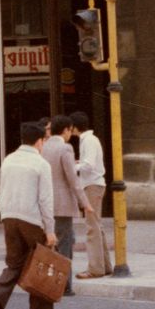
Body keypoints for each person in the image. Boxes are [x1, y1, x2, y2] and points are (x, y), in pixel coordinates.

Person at [0, 122, 58, 309]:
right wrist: (50, 230)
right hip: (31, 219)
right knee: (42, 265)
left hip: (9, 217)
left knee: (15, 264)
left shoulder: (8, 160)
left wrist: (4, 214)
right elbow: (45, 200)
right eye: (44, 140)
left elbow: (1, 190)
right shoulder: (41, 164)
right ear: (39, 141)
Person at [42, 115, 92, 297]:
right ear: (65, 130)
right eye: (70, 130)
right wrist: (85, 202)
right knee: (65, 244)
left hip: (46, 203)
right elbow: (73, 179)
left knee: (53, 243)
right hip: (62, 204)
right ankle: (64, 285)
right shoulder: (65, 148)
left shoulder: (44, 146)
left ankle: (51, 281)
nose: (71, 134)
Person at [70, 111, 113, 279]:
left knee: (91, 228)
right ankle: (104, 266)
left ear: (74, 127)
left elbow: (89, 165)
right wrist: (78, 163)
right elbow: (88, 163)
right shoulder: (89, 140)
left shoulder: (88, 141)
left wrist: (72, 168)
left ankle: (95, 269)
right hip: (94, 185)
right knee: (96, 226)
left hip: (92, 186)